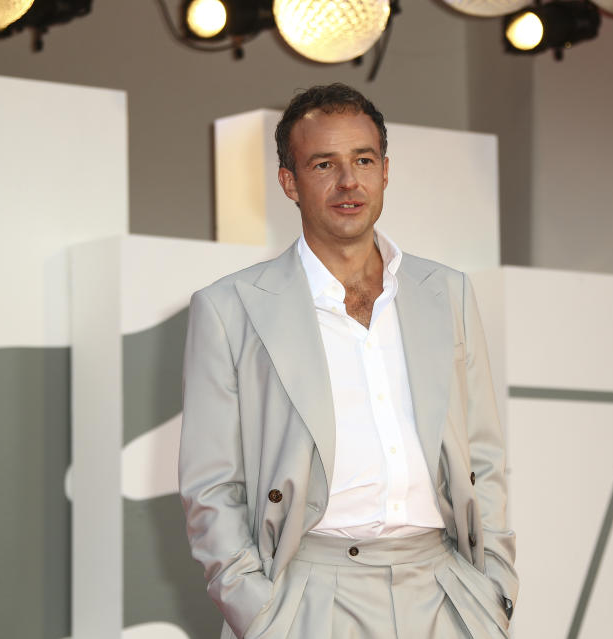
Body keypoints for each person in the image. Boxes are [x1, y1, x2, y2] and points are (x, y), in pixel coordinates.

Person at [179, 83, 517, 639]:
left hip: (446, 592)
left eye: (363, 160)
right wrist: (258, 613)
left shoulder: (446, 291)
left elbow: (485, 451)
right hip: (308, 598)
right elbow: (210, 485)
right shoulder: (229, 308)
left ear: (386, 170)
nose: (348, 182)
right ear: (289, 181)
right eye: (323, 164)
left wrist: (495, 589)